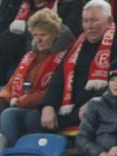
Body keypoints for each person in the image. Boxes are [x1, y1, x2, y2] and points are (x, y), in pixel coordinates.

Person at [0, 9, 68, 145]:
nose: (38, 40)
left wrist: (21, 102)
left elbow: (51, 91)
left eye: (43, 35)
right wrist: (2, 101)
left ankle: (9, 154)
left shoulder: (63, 57)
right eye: (35, 35)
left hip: (36, 108)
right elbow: (11, 84)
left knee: (9, 115)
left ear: (56, 35)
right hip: (18, 103)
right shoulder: (29, 56)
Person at [39, 0, 115, 132]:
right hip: (69, 108)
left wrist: (94, 103)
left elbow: (114, 86)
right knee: (27, 117)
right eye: (85, 21)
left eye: (94, 20)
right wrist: (48, 106)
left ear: (109, 21)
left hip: (99, 107)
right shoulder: (76, 46)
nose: (89, 26)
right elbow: (59, 79)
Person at [78, 68, 117, 156]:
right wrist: (99, 153)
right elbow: (82, 138)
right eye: (112, 80)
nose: (115, 84)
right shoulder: (96, 104)